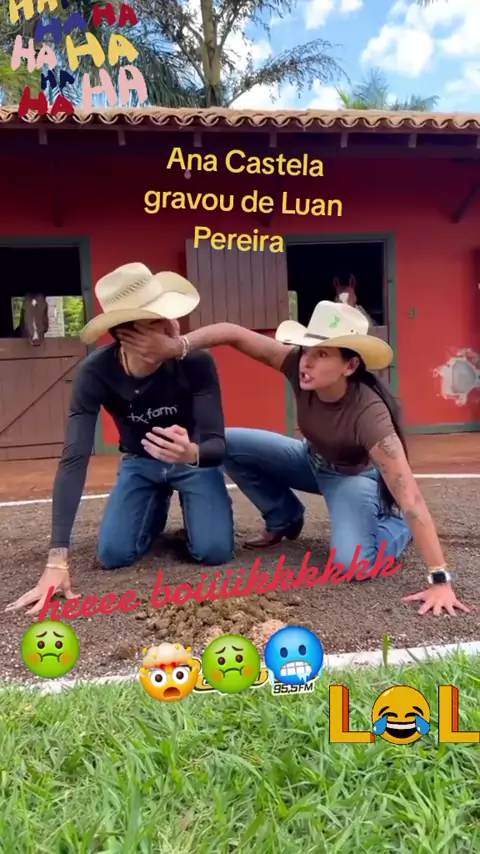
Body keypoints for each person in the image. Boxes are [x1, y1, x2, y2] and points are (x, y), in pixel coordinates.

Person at [114, 299, 470, 618]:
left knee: (354, 567)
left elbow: (411, 498)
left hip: (351, 479)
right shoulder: (297, 365)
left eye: (323, 354)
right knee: (224, 443)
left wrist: (440, 579)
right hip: (308, 460)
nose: (307, 361)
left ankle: (395, 529)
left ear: (350, 365)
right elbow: (233, 333)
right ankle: (284, 517)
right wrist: (178, 346)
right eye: (306, 349)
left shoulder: (370, 416)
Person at [6, 263, 234, 615]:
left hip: (193, 461)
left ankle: (194, 509)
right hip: (139, 463)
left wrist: (191, 453)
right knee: (113, 555)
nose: (173, 327)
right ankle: (154, 503)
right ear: (127, 335)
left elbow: (217, 447)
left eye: (169, 317)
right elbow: (74, 457)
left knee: (214, 551)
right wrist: (57, 559)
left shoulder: (196, 362)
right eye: (158, 321)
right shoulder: (96, 372)